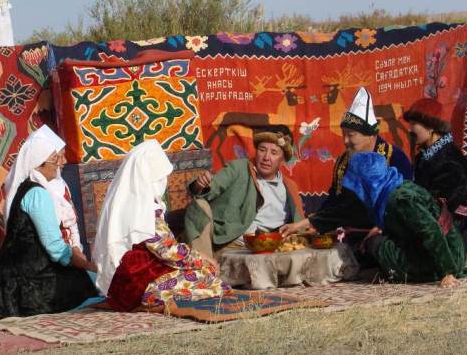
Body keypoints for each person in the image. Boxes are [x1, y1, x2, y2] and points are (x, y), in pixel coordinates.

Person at [93, 141, 229, 311]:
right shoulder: (145, 210)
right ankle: (149, 301)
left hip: (123, 280)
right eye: (162, 176)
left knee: (204, 274)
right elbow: (167, 251)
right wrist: (202, 258)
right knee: (213, 280)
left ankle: (147, 300)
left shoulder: (125, 203)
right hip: (141, 281)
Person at [0, 125, 99, 318]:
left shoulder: (28, 189)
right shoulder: (38, 194)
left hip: (19, 279)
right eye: (56, 159)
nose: (61, 163)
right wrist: (88, 266)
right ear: (40, 163)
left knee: (93, 281)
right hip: (30, 283)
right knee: (95, 286)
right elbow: (55, 248)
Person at [335, 152, 467, 285]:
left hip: (446, 259)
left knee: (376, 243)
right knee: (376, 238)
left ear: (367, 184)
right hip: (438, 251)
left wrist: (448, 273)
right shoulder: (395, 187)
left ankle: (424, 272)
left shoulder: (401, 200)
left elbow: (431, 230)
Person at [306, 87, 413, 237]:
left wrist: (386, 226)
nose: (345, 141)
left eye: (351, 135)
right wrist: (314, 222)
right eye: (343, 135)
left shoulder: (394, 158)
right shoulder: (343, 161)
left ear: (370, 135)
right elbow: (335, 200)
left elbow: (405, 204)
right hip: (349, 238)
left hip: (386, 240)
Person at [182, 130, 304, 259]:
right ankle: (204, 266)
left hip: (269, 250)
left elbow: (299, 224)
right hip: (230, 244)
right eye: (262, 150)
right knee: (199, 205)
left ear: (282, 159)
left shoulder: (290, 187)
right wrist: (200, 185)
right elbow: (210, 188)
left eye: (274, 153)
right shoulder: (239, 168)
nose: (266, 157)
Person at [403, 98, 467, 250]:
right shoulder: (426, 156)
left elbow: (439, 205)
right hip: (430, 223)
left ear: (430, 127)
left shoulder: (449, 161)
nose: (409, 129)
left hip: (453, 234)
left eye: (413, 124)